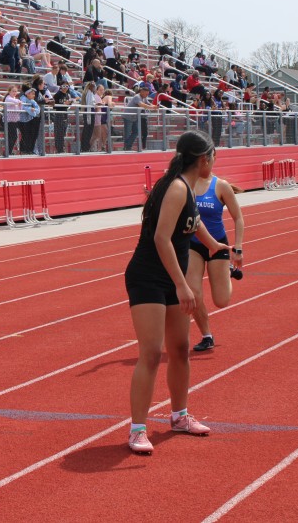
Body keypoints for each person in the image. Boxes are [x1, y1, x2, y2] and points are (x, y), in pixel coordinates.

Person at [126, 131, 227, 455]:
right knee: (151, 353)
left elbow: (193, 222)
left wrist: (214, 245)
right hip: (149, 277)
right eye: (213, 156)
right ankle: (137, 429)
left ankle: (179, 416)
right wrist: (183, 284)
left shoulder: (187, 186)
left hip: (171, 276)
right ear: (204, 159)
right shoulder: (177, 188)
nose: (214, 161)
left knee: (180, 349)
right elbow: (161, 238)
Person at [187, 151, 245, 352]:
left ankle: (228, 271)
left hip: (218, 245)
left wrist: (238, 248)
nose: (206, 162)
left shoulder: (221, 186)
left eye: (208, 159)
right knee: (193, 292)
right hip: (193, 244)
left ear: (213, 159)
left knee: (221, 301)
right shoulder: (186, 184)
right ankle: (207, 336)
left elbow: (238, 218)